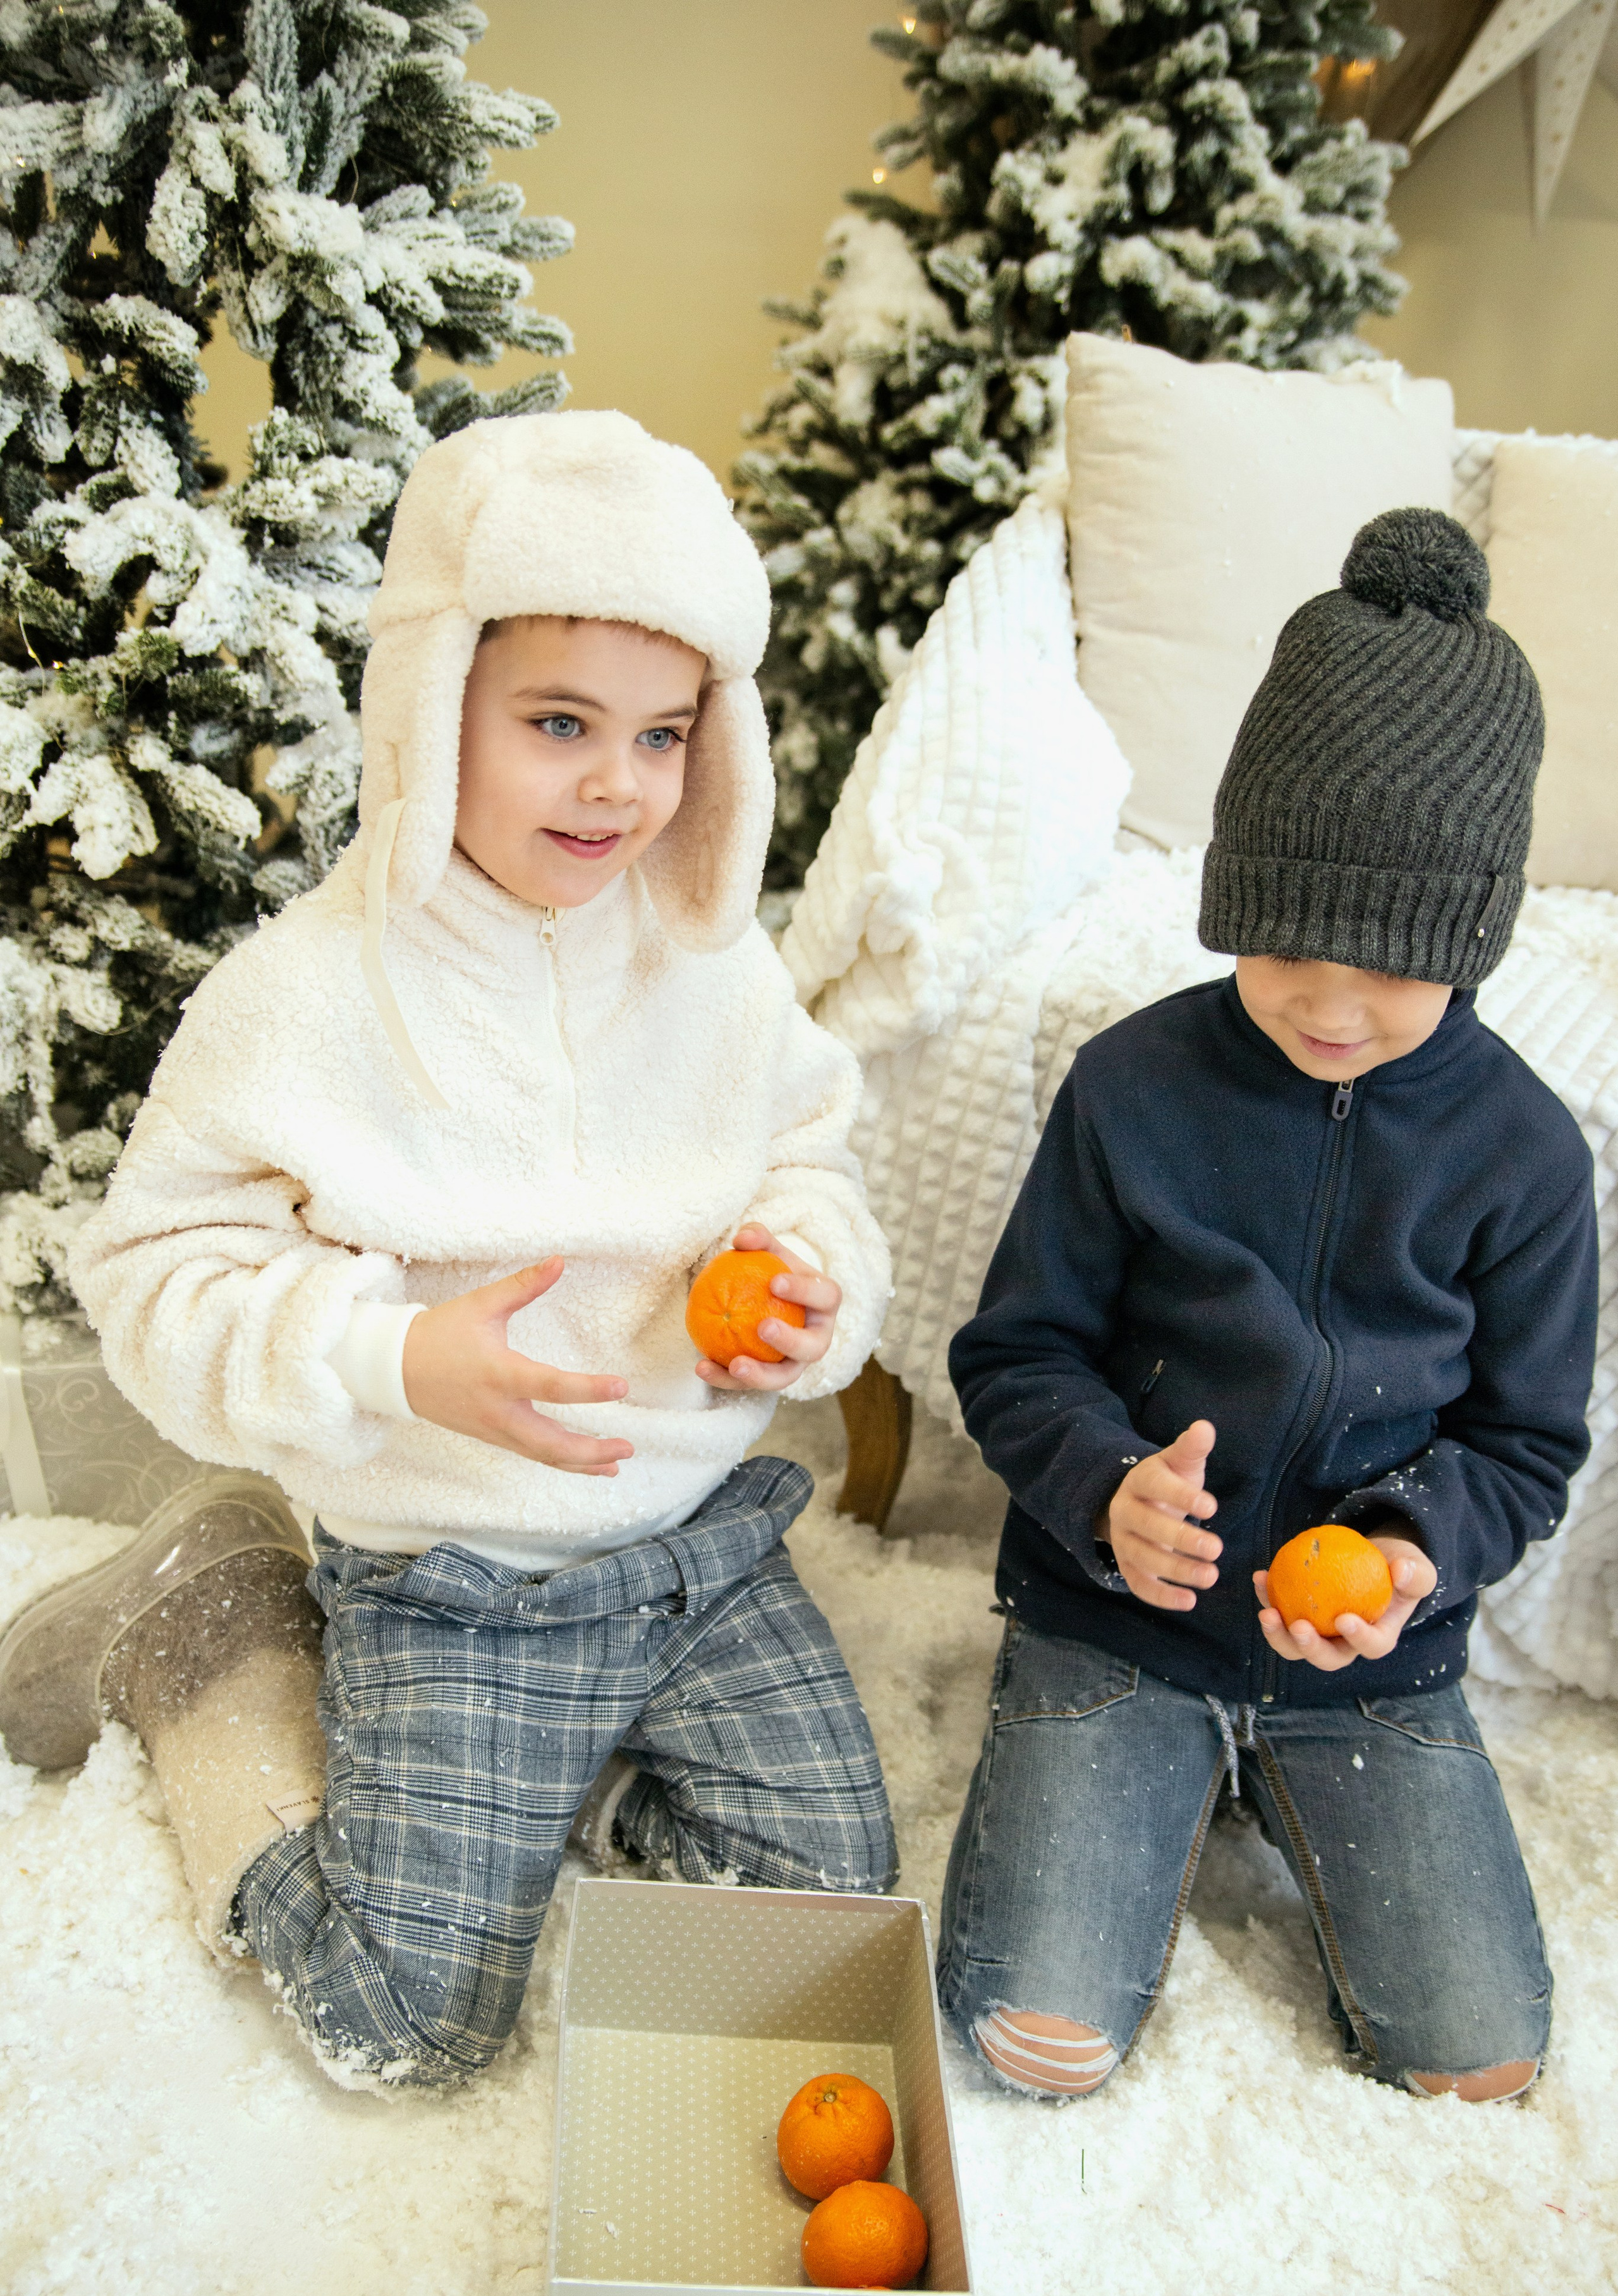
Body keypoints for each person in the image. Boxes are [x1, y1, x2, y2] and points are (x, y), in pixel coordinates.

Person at [0, 411, 896, 2084]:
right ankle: (216, 1625)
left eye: (662, 733)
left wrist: (804, 1280)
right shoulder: (304, 993)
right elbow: (149, 1274)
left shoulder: (718, 971)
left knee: (823, 1927)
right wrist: (387, 1355)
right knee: (405, 2022)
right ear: (434, 706)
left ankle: (587, 1777)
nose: (617, 784)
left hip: (700, 1543)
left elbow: (810, 1157)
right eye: (558, 722)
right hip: (451, 1574)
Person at [938, 507, 1593, 2107]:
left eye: (1392, 959)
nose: (1330, 997)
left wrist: (1406, 1552)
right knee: (1037, 2040)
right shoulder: (1132, 1085)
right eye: (1286, 935)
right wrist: (1104, 1488)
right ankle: (1163, 1760)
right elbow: (1012, 1348)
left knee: (1478, 2054)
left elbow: (1523, 1441)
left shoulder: (1522, 1149)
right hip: (1124, 1621)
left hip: (1367, 1656)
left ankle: (1272, 1770)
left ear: (1473, 938)